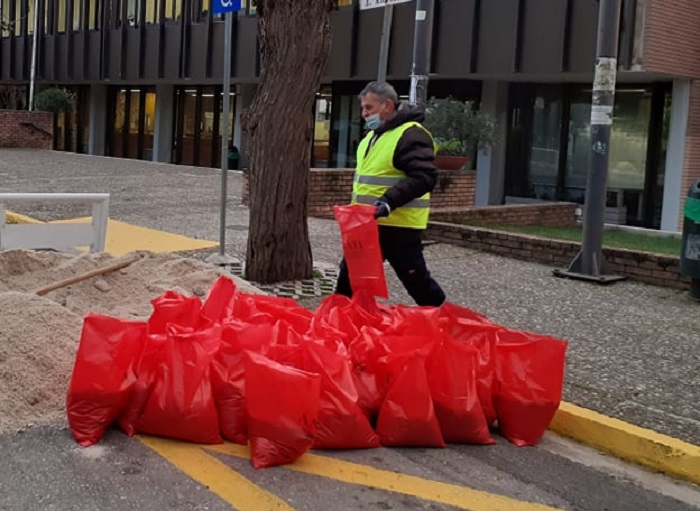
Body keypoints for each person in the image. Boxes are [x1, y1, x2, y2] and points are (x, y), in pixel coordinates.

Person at [334, 81, 446, 307]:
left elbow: (424, 177)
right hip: (367, 223)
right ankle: (340, 324)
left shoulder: (411, 134)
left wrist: (388, 202)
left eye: (369, 108)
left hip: (399, 226)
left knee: (416, 281)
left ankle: (444, 322)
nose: (364, 114)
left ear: (387, 105)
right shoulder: (373, 137)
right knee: (350, 279)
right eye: (363, 108)